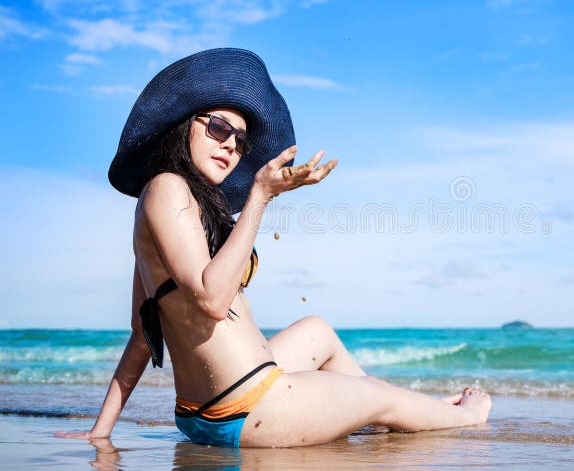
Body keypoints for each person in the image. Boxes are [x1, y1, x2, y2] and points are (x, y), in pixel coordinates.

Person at [56, 48, 491, 448]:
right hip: (253, 408)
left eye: (240, 140)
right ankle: (462, 418)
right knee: (379, 395)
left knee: (317, 330)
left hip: (207, 412)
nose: (230, 144)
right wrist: (260, 197)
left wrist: (101, 430)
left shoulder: (168, 208)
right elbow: (210, 299)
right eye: (219, 128)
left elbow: (141, 331)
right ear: (185, 125)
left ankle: (386, 415)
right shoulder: (167, 187)